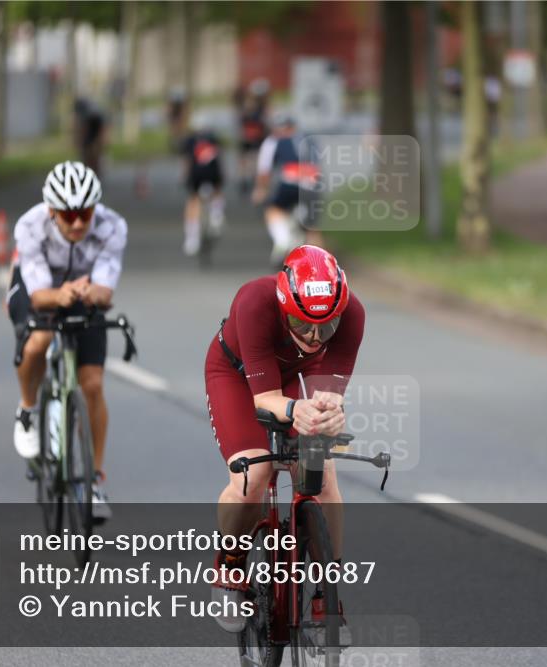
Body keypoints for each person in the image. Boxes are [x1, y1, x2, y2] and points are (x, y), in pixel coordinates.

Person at [205, 245, 365, 633]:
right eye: (302, 324)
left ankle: (327, 590)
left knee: (322, 475)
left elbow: (328, 392)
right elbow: (266, 401)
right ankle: (230, 564)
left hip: (294, 377)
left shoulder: (353, 314)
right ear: (283, 304)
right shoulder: (255, 301)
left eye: (325, 328)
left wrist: (328, 412)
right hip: (238, 374)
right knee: (252, 477)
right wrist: (297, 411)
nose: (313, 335)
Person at [8, 161, 128, 521]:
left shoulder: (113, 226)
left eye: (85, 213)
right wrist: (59, 295)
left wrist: (90, 292)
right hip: (39, 290)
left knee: (92, 384)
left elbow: (106, 291)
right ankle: (28, 410)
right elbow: (39, 294)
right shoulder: (30, 226)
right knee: (39, 340)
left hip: (85, 294)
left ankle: (92, 479)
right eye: (69, 214)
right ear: (51, 211)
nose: (78, 222)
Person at [252, 112, 320, 265]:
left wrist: (261, 190)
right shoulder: (309, 140)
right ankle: (320, 265)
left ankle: (282, 240)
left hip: (289, 183)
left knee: (273, 210)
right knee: (312, 229)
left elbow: (264, 171)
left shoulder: (273, 141)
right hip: (310, 184)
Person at [180, 112, 226, 257]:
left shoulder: (190, 140)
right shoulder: (214, 139)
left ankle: (191, 239)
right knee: (217, 192)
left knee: (193, 201)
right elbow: (220, 158)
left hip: (196, 174)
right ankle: (216, 215)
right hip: (213, 173)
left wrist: (184, 176)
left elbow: (187, 160)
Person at [236, 79, 269, 194]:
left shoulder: (260, 108)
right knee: (248, 159)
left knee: (251, 159)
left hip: (254, 136)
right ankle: (246, 179)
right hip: (250, 136)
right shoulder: (254, 107)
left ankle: (248, 178)